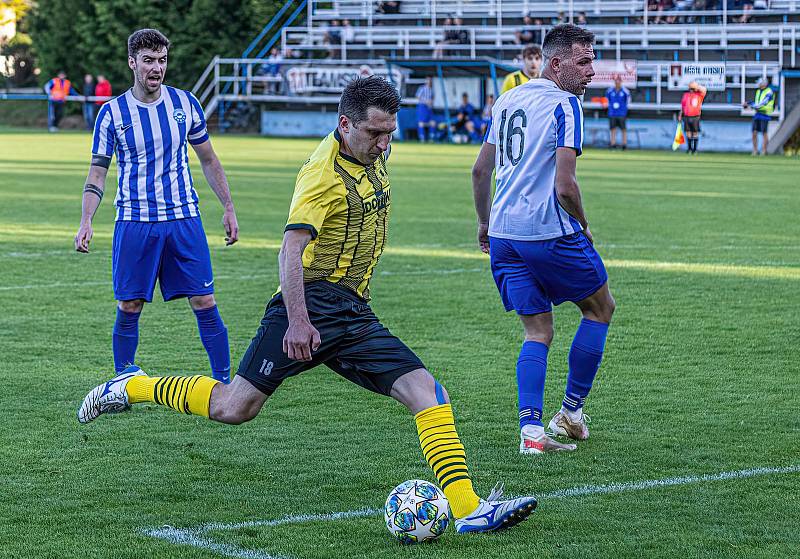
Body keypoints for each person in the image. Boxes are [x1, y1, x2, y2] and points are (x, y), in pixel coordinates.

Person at [78, 75, 538, 534]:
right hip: (311, 303)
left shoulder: (374, 149)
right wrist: (298, 320)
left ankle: (469, 507)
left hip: (354, 312)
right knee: (234, 408)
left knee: (427, 392)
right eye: (375, 133)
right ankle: (131, 386)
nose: (383, 143)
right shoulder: (322, 174)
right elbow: (290, 250)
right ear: (344, 124)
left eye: (390, 132)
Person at [471, 24, 615, 454]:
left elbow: (480, 170)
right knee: (600, 307)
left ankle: (531, 432)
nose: (592, 71)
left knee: (537, 332)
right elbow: (565, 186)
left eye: (593, 60)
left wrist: (483, 223)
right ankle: (570, 413)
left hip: (503, 234)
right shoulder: (567, 106)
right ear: (557, 63)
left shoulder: (509, 98)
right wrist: (584, 225)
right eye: (583, 61)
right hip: (547, 231)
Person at [73, 28, 239, 384]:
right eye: (148, 60)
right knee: (129, 305)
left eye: (162, 60)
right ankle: (122, 381)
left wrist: (228, 206)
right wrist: (87, 219)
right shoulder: (111, 113)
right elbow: (97, 172)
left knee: (205, 301)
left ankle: (225, 384)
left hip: (184, 219)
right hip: (135, 221)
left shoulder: (185, 104)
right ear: (132, 62)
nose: (156, 68)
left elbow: (209, 160)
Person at [743, 78, 775, 155]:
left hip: (765, 114)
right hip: (757, 114)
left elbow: (763, 102)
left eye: (759, 83)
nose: (758, 84)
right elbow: (757, 102)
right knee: (754, 132)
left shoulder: (769, 92)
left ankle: (764, 151)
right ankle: (755, 151)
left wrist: (752, 106)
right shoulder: (758, 91)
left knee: (764, 133)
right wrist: (748, 103)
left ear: (763, 84)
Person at [678, 80, 707, 153]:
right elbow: (683, 106)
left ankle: (695, 149)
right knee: (688, 133)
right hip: (687, 116)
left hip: (695, 116)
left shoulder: (699, 95)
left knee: (695, 132)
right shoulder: (686, 95)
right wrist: (680, 115)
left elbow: (704, 89)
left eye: (692, 89)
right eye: (691, 88)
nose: (692, 90)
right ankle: (689, 148)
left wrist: (696, 86)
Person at [606, 75, 630, 149]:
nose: (617, 82)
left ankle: (624, 144)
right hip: (612, 113)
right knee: (613, 129)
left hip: (621, 113)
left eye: (619, 81)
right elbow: (607, 100)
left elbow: (628, 101)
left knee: (623, 129)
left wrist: (624, 109)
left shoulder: (625, 91)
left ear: (621, 82)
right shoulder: (610, 91)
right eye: (616, 81)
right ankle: (613, 144)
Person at [415, 76, 435, 142]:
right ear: (426, 81)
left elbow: (432, 98)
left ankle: (431, 138)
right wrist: (426, 101)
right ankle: (422, 138)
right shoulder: (422, 88)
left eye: (430, 80)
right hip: (422, 107)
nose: (429, 81)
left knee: (432, 122)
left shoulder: (431, 90)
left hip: (429, 108)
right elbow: (418, 96)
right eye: (428, 80)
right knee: (421, 123)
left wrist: (431, 102)